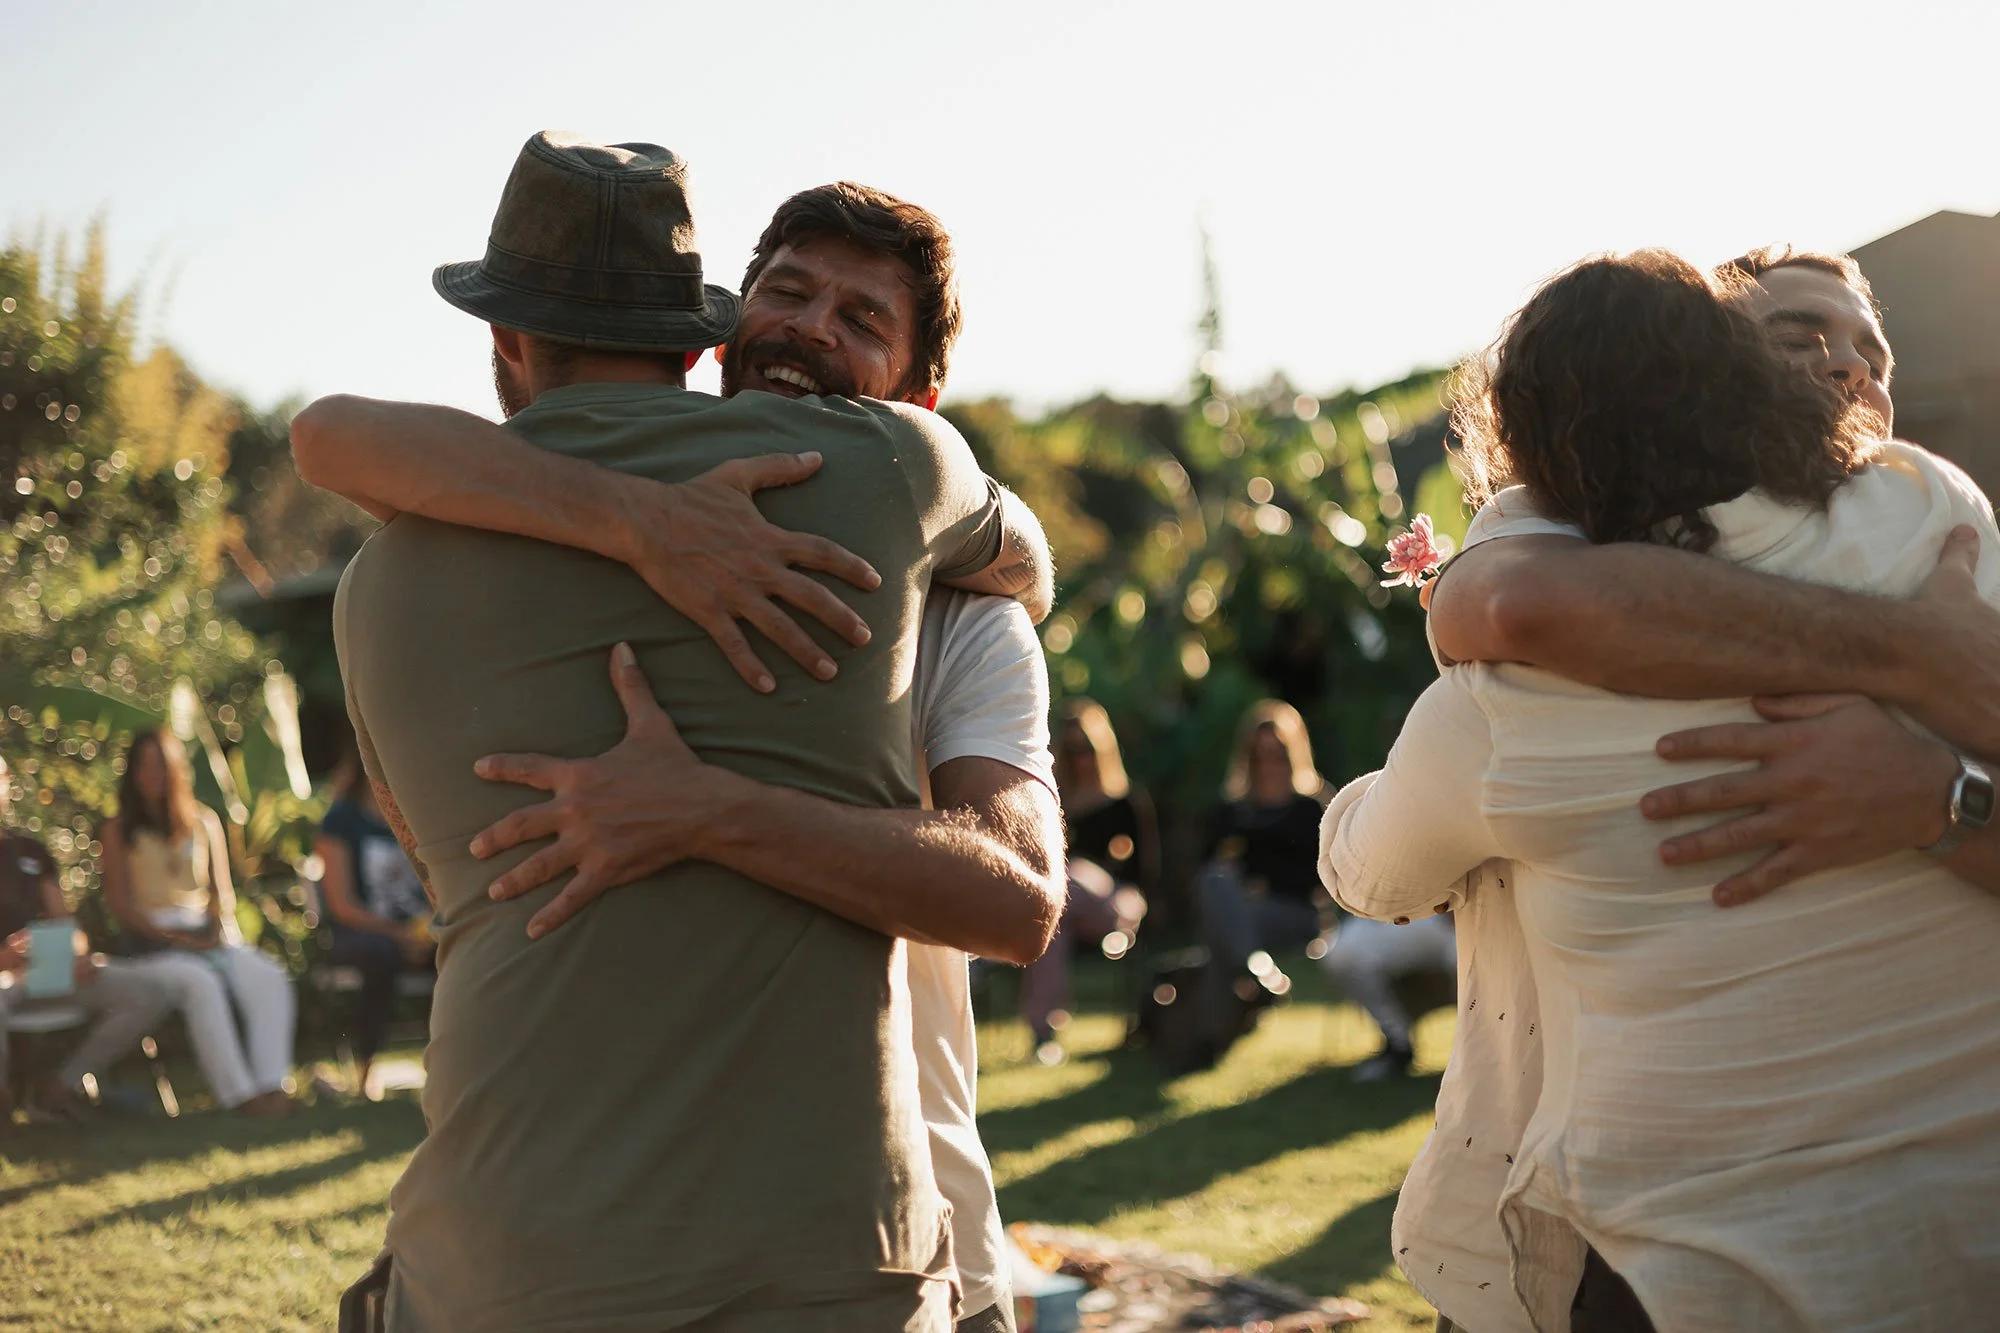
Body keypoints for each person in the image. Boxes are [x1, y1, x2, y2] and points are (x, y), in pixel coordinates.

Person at [307, 135, 1055, 1332]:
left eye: (861, 318)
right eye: (790, 293)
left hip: (516, 1258)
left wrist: (710, 807)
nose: (811, 329)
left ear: (504, 342)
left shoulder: (379, 578)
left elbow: (1019, 897)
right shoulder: (895, 477)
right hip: (830, 1260)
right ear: (709, 336)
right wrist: (643, 520)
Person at [1325, 250, 2000, 1331]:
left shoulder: (1509, 698)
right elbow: (1515, 595)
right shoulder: (1937, 526)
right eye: (1793, 345)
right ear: (1740, 385)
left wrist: (1941, 795)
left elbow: (1365, 865)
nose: (1840, 371)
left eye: (1868, 349)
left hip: (1684, 1273)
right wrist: (1926, 694)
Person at [99, 729, 297, 1116]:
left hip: (205, 935)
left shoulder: (204, 822)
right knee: (200, 983)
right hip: (150, 943)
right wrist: (171, 938)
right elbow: (121, 906)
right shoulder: (117, 829)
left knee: (267, 975)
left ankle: (272, 1085)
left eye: (161, 765)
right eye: (144, 766)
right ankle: (239, 1096)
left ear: (177, 770)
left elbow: (220, 894)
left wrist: (213, 933)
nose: (153, 774)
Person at [0, 752, 173, 1124]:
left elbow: (66, 925)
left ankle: (60, 1087)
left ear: (8, 783)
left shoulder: (29, 851)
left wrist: (77, 955)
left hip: (45, 972)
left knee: (149, 992)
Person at [1020, 700, 1153, 1063]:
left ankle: (1042, 1025)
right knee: (1054, 915)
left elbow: (1142, 875)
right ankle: (1043, 1031)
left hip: (1111, 902)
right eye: (1074, 750)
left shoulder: (1125, 803)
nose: (1082, 760)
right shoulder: (1052, 805)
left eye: (1088, 750)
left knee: (1068, 881)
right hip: (1063, 905)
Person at [1194, 701, 1328, 1058]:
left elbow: (1322, 877)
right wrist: (1240, 890)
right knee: (1215, 885)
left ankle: (1209, 1039)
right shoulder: (1231, 812)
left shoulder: (1309, 809)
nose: (1268, 765)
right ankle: (1255, 973)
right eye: (1259, 756)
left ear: (1293, 754)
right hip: (1243, 911)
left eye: (1277, 755)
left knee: (1221, 930)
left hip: (1295, 913)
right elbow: (1209, 869)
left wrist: (1266, 885)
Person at [315, 753, 435, 1097]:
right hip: (361, 935)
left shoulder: (418, 817)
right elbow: (342, 906)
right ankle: (364, 1072)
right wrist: (398, 934)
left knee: (462, 950)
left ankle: (458, 1064)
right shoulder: (340, 821)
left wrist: (427, 932)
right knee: (381, 956)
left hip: (419, 931)